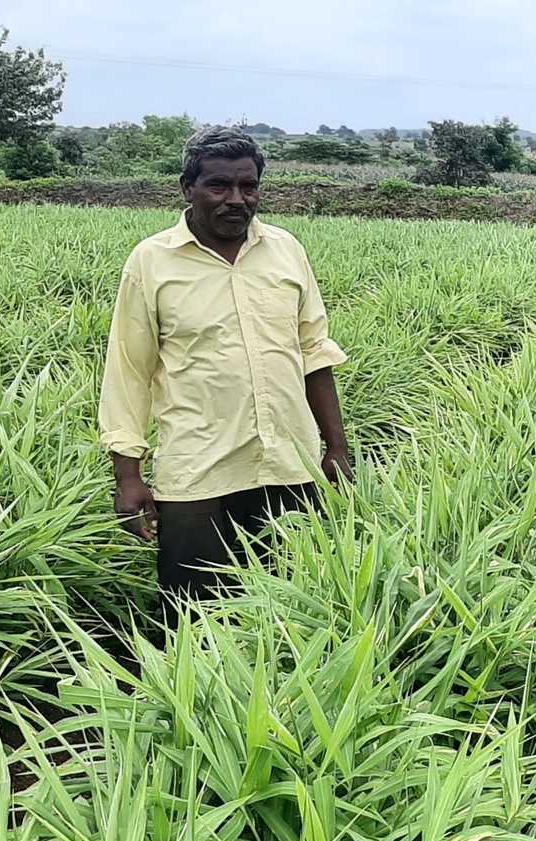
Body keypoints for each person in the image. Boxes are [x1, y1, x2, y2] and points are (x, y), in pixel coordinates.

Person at [98, 125, 353, 616]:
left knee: (293, 611)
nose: (236, 199)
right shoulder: (152, 261)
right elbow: (128, 371)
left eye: (248, 186)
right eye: (218, 185)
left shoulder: (286, 250)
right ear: (187, 188)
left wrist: (336, 448)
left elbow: (314, 353)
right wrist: (127, 475)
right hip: (198, 471)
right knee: (194, 615)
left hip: (289, 463)